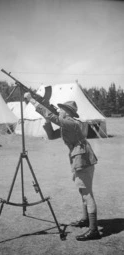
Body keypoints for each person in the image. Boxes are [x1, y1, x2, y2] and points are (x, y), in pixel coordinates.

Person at [24, 93, 101, 241]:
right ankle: (86, 220)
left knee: (87, 194)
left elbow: (54, 117)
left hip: (82, 159)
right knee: (83, 191)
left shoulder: (71, 122)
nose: (59, 111)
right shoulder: (68, 125)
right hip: (81, 158)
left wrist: (32, 100)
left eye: (62, 109)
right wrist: (47, 121)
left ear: (68, 112)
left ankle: (94, 230)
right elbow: (52, 135)